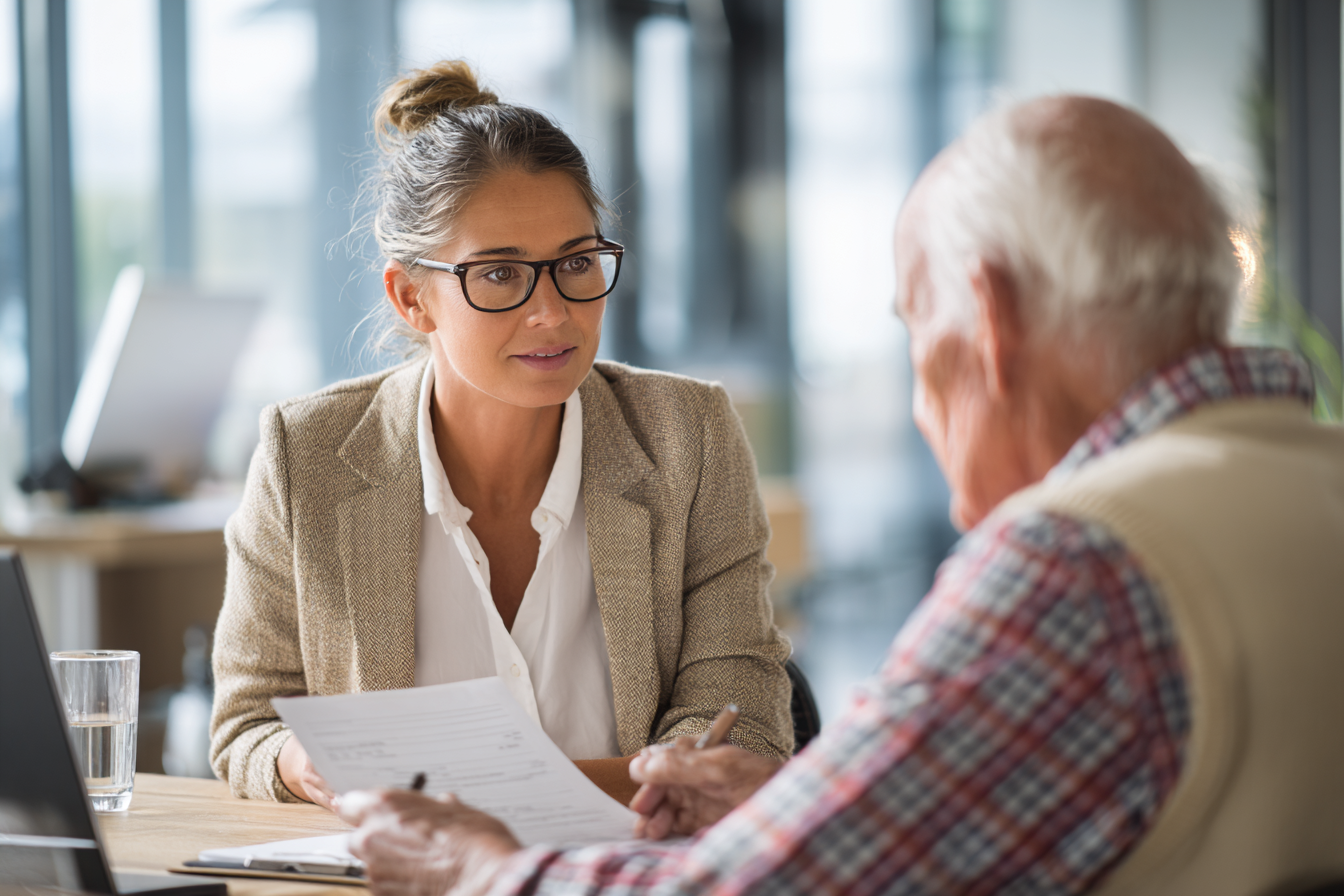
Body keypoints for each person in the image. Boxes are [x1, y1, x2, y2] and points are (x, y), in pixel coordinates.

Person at [335, 95, 1344, 895]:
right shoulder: (1314, 478)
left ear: (985, 321)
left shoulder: (1083, 560)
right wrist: (812, 803)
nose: (914, 406)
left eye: (912, 324)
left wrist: (481, 871)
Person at [208, 60, 794, 809]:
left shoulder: (688, 437)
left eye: (577, 263)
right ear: (411, 297)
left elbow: (740, 717)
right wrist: (299, 760)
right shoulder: (305, 455)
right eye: (499, 274)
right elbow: (245, 726)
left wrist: (483, 800)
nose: (552, 312)